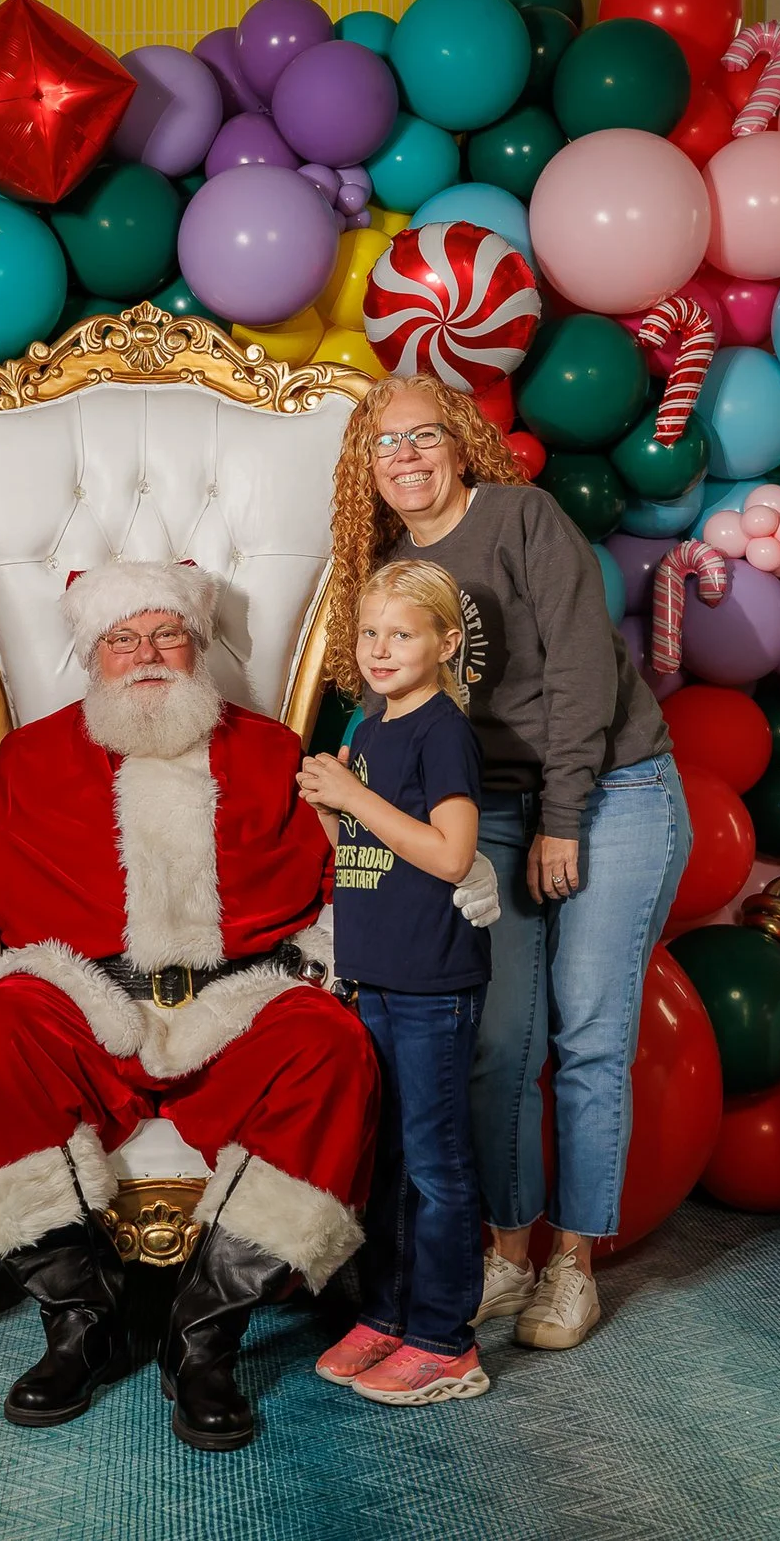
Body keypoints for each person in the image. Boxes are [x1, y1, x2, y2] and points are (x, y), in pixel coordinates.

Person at [0, 559, 379, 1453]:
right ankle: (77, 1321)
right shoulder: (36, 756)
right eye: (122, 639)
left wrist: (436, 878)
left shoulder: (274, 751)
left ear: (196, 647)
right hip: (87, 1004)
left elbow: (349, 857)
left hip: (240, 1004)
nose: (146, 655)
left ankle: (203, 1336)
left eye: (166, 634)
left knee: (332, 1043)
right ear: (93, 657)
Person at [323, 374, 687, 1353]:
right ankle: (507, 1250)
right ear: (366, 467)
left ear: (458, 443)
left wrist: (564, 816)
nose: (404, 456)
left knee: (588, 1032)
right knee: (494, 1042)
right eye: (382, 443)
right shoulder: (392, 564)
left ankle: (572, 1263)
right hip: (488, 807)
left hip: (610, 790)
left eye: (422, 437)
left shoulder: (520, 518)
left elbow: (578, 673)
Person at [300, 559, 496, 1407]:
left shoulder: (442, 729)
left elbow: (451, 854)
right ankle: (385, 1315)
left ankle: (446, 1340)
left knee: (437, 1165)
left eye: (402, 634)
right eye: (370, 632)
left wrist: (352, 795)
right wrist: (330, 804)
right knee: (385, 1160)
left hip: (434, 981)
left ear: (446, 644)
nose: (380, 649)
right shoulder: (371, 723)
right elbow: (366, 848)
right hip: (375, 974)